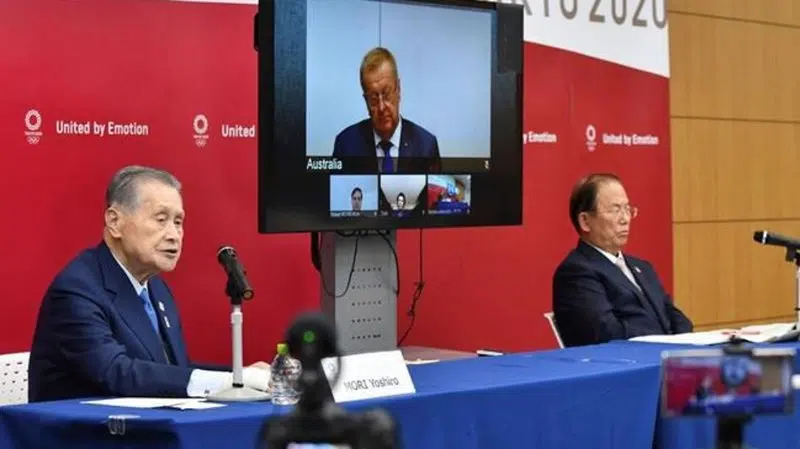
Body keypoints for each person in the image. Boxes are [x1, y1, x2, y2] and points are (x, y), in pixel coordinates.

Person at [28, 165, 271, 402]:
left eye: (178, 222)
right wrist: (231, 381)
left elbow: (174, 370)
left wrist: (240, 377)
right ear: (114, 222)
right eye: (160, 219)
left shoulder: (157, 288)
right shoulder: (77, 289)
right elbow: (116, 372)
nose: (173, 235)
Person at [552, 173, 693, 347]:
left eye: (627, 209)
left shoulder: (643, 267)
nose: (625, 219)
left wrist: (683, 343)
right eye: (615, 210)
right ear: (585, 221)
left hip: (666, 355)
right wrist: (665, 339)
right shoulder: (577, 272)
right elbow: (607, 333)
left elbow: (675, 317)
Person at [332, 47, 441, 174]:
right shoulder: (345, 145)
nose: (382, 107)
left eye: (387, 94)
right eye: (373, 98)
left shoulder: (426, 146)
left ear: (398, 89)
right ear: (366, 100)